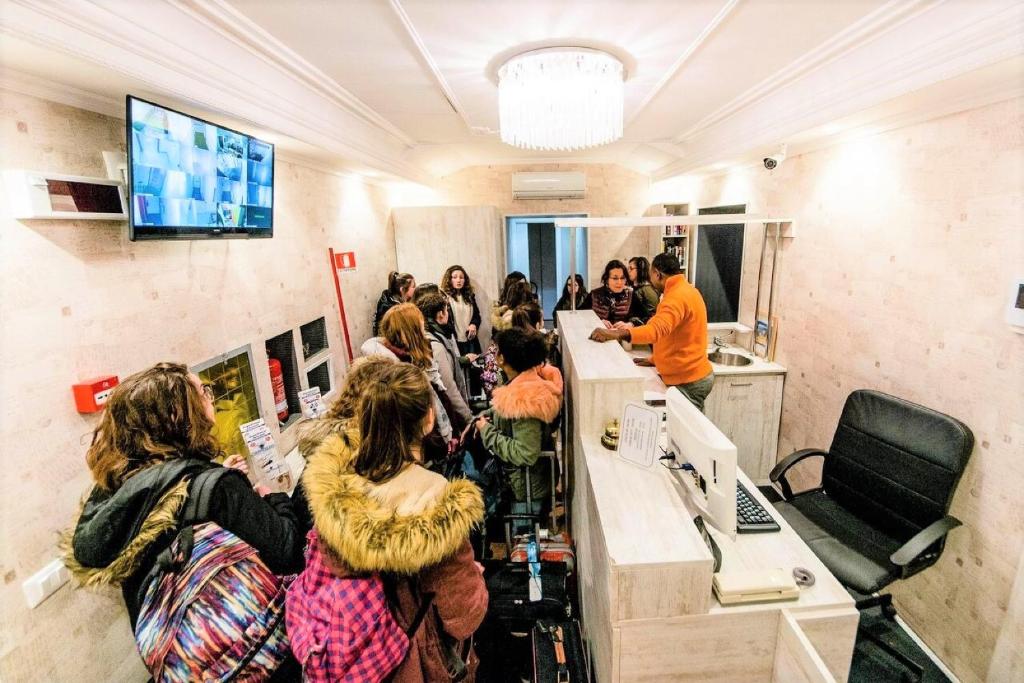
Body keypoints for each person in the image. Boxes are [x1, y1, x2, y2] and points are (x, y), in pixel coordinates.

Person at [63, 362, 304, 680]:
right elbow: (287, 550)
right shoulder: (214, 487)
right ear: (179, 415)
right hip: (255, 658)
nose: (210, 399)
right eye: (202, 393)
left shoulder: (116, 496)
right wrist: (273, 499)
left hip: (181, 667)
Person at [293, 362, 487, 681]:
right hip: (416, 667)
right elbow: (463, 617)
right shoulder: (437, 502)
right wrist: (475, 579)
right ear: (427, 420)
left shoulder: (336, 491)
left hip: (352, 665)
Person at [589, 253, 715, 412]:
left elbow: (656, 330)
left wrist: (616, 334)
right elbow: (679, 336)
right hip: (694, 376)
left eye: (651, 276)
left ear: (658, 274)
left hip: (689, 381)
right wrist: (655, 359)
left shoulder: (676, 297)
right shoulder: (688, 290)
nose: (650, 280)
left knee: (685, 433)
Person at [476, 328, 563, 508]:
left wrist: (487, 432)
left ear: (502, 359)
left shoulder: (523, 399)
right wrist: (490, 415)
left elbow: (526, 453)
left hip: (526, 490)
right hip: (531, 482)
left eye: (497, 350)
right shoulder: (530, 385)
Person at [361, 303, 458, 446]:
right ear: (411, 332)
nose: (423, 332)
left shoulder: (412, 357)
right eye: (420, 327)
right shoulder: (400, 374)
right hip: (430, 443)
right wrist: (442, 441)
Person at [418, 291, 476, 428]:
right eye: (446, 310)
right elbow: (448, 387)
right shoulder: (436, 344)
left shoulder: (434, 337)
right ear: (440, 315)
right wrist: (469, 418)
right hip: (449, 417)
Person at [581, 259, 646, 327]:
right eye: (615, 278)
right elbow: (580, 315)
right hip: (599, 334)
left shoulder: (631, 295)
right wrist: (597, 321)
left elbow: (646, 317)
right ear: (607, 280)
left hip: (622, 335)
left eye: (622, 278)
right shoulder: (594, 294)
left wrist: (631, 324)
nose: (619, 282)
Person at [441, 265, 482, 355]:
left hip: (470, 339)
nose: (458, 280)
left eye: (461, 277)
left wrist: (474, 324)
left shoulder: (470, 296)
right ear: (449, 279)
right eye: (455, 277)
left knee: (474, 366)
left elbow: (477, 315)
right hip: (454, 341)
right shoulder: (444, 298)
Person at [373, 271, 416, 336]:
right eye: (413, 286)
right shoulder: (392, 308)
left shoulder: (403, 300)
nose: (415, 288)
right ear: (402, 289)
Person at [628, 256, 660, 323]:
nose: (628, 271)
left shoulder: (648, 290)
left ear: (640, 270)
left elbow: (652, 316)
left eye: (631, 268)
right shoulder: (632, 287)